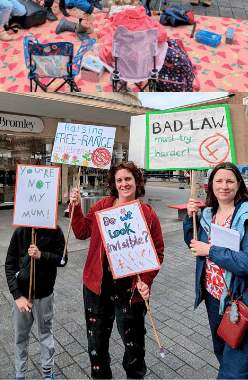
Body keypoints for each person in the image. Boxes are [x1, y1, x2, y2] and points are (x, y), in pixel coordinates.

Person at [69, 161, 165, 380]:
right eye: (119, 180)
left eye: (128, 179)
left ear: (136, 181)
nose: (124, 184)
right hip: (97, 286)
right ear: (114, 183)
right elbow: (81, 232)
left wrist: (147, 280)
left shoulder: (147, 214)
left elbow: (157, 251)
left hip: (130, 290)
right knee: (97, 344)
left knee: (134, 347)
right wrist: (74, 207)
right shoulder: (102, 206)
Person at [183, 162, 248, 379]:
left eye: (229, 181)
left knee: (232, 372)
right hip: (213, 299)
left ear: (239, 184)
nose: (224, 186)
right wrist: (190, 220)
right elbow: (194, 246)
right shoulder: (207, 214)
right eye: (218, 181)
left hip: (241, 302)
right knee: (221, 351)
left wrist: (211, 250)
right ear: (211, 185)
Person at [5, 224, 66, 380]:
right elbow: (10, 264)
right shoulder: (20, 231)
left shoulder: (55, 230)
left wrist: (42, 255)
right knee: (20, 336)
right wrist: (17, 295)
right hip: (22, 297)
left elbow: (63, 259)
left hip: (44, 295)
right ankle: (20, 374)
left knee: (45, 334)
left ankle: (47, 373)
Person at [96, 0, 169, 67]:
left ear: (114, 4)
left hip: (123, 67)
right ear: (133, 1)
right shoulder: (148, 20)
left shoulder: (112, 25)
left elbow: (108, 53)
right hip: (145, 64)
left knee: (99, 46)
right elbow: (163, 36)